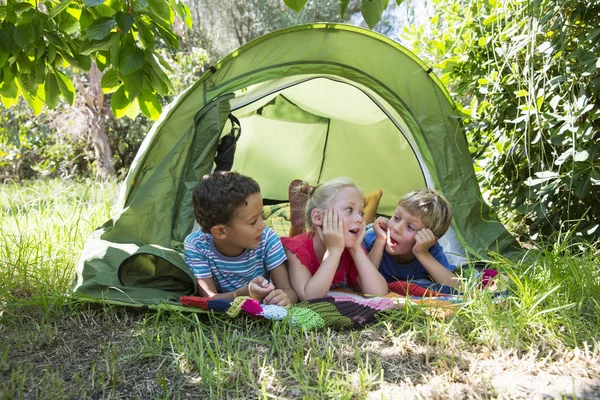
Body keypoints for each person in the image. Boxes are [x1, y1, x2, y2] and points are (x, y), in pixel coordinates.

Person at [184, 171, 297, 306]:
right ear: (220, 231)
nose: (263, 225)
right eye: (253, 221)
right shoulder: (196, 246)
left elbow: (288, 291)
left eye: (261, 215)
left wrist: (284, 298)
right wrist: (244, 293)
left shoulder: (267, 239)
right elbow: (209, 299)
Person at [281, 178, 389, 301]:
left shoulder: (350, 249)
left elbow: (379, 293)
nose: (359, 219)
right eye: (349, 210)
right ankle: (297, 226)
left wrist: (356, 249)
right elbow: (309, 297)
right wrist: (333, 252)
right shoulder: (297, 249)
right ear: (318, 217)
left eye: (361, 213)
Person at [363, 189, 460, 293]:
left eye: (410, 227)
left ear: (429, 239)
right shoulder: (374, 237)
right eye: (396, 218)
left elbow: (458, 287)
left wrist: (422, 254)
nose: (396, 228)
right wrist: (380, 241)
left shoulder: (430, 251)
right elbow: (362, 283)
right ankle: (372, 198)